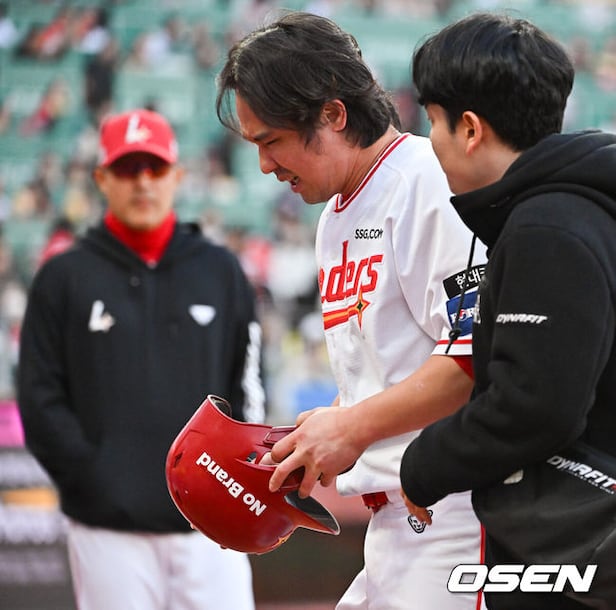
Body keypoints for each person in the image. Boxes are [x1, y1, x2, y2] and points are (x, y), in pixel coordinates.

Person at [216, 11, 487, 610]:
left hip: (455, 512)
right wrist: (319, 432)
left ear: (334, 114)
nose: (264, 165)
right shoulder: (334, 216)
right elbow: (390, 369)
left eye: (271, 140)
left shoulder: (428, 181)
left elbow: (476, 359)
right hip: (396, 522)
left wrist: (351, 428)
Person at [398, 12, 616, 610]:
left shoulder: (549, 226)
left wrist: (424, 464)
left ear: (470, 128)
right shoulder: (574, 207)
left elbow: (534, 406)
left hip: (573, 556)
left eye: (433, 121)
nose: (430, 141)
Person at [17, 108, 265, 610]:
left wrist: (239, 479)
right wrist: (94, 478)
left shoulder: (220, 271)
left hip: (212, 528)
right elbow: (40, 396)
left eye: (155, 168)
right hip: (108, 530)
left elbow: (248, 384)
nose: (143, 182)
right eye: (128, 168)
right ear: (101, 178)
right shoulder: (63, 277)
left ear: (177, 175)